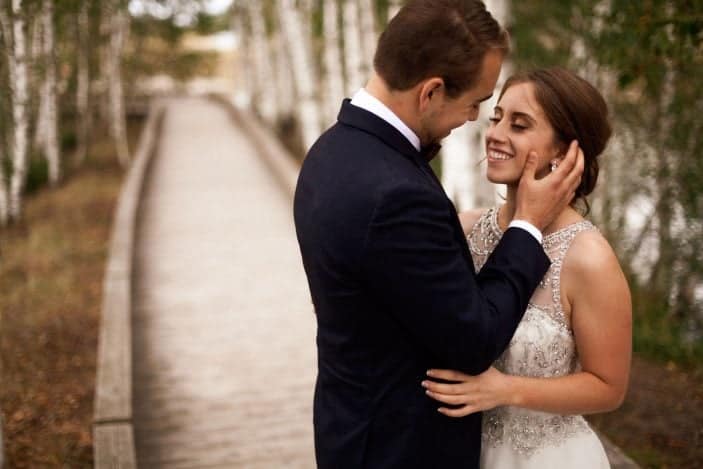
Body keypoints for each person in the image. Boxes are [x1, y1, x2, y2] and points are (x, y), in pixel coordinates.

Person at [293, 1, 584, 467]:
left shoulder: (330, 151)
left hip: (351, 426)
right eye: (475, 103)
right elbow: (474, 339)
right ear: (430, 91)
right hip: (401, 448)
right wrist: (528, 224)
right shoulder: (395, 193)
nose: (473, 119)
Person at [422, 67, 632, 468]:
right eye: (496, 117)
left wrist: (505, 390)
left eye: (519, 125)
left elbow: (609, 388)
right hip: (458, 453)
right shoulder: (464, 229)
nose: (496, 134)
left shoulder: (588, 258)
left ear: (565, 151)